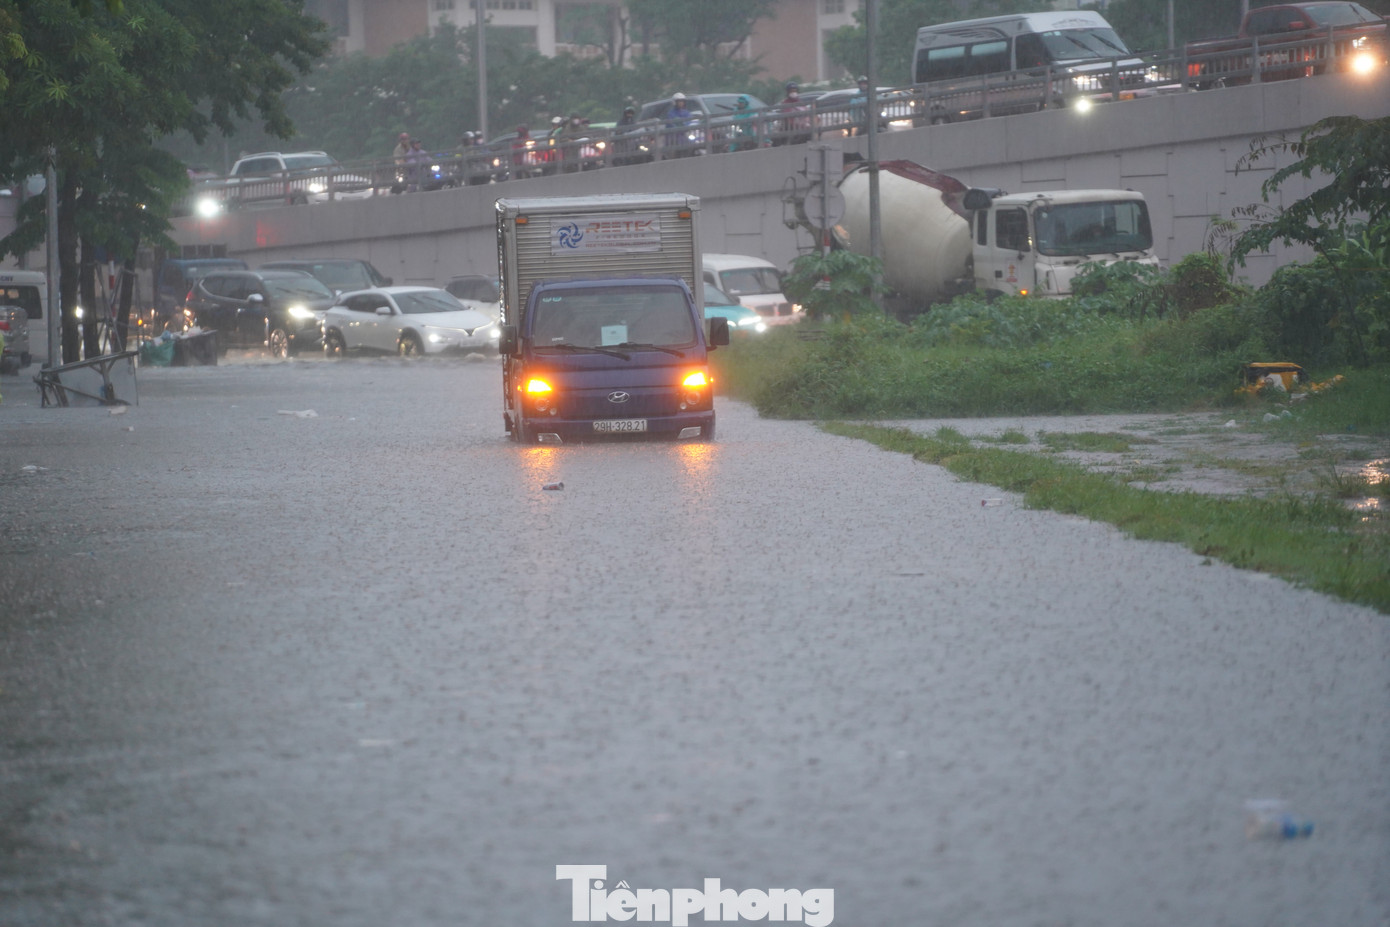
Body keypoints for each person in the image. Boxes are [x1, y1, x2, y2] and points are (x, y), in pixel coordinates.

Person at [777, 81, 810, 146]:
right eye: (791, 91)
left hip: (803, 126)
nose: (793, 93)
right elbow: (788, 118)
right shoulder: (785, 103)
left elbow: (806, 112)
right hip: (791, 128)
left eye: (795, 91)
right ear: (788, 92)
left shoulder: (800, 102)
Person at [664, 92, 695, 159]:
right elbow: (671, 124)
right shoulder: (671, 113)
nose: (681, 103)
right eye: (679, 101)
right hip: (673, 137)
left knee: (692, 144)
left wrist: (685, 126)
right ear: (675, 102)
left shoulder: (686, 112)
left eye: (682, 101)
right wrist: (679, 127)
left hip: (684, 135)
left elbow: (689, 121)